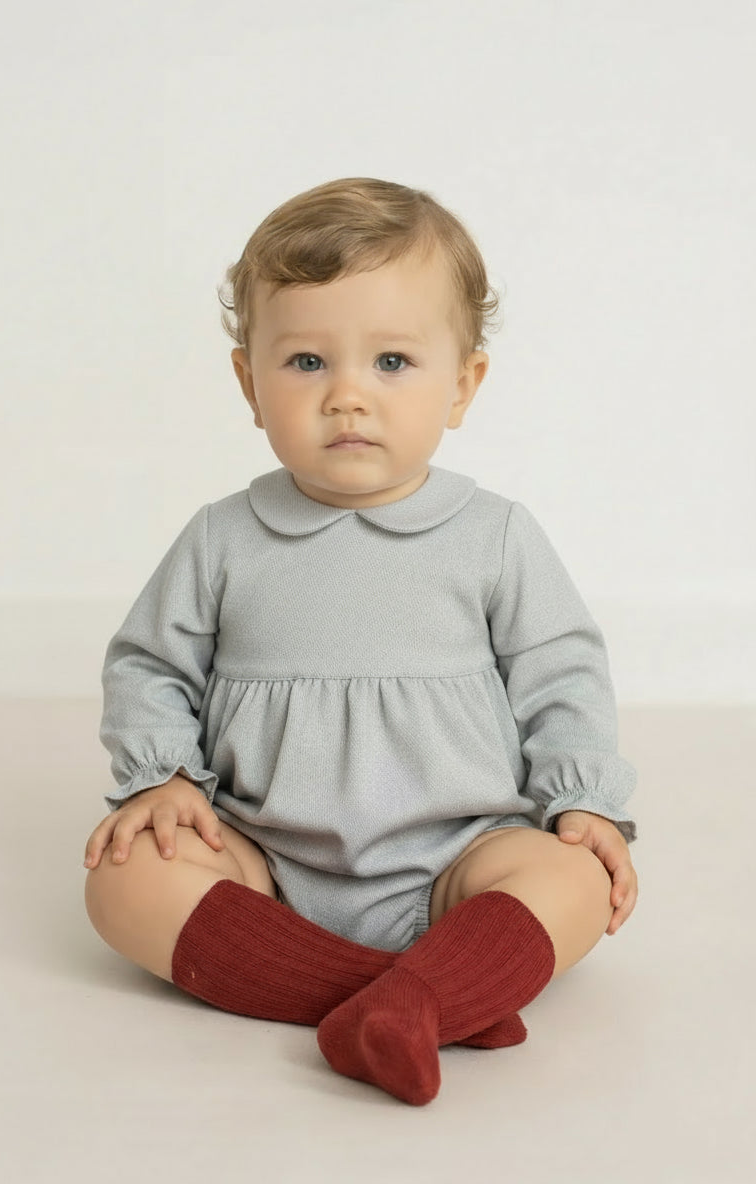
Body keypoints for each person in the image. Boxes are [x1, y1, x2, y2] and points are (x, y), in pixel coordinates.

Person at [82, 176, 638, 1106]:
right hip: (262, 858)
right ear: (248, 383)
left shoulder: (493, 534)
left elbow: (561, 674)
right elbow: (150, 664)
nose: (347, 396)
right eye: (306, 362)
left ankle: (415, 986)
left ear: (462, 385)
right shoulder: (223, 537)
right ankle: (411, 1000)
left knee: (574, 879)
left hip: (462, 853)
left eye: (391, 362)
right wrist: (163, 777)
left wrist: (581, 802)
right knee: (124, 883)